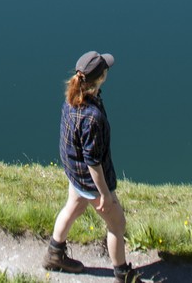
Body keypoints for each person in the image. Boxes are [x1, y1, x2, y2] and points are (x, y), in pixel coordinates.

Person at [44, 51, 141, 283]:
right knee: (117, 225)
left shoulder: (72, 99)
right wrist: (105, 195)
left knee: (73, 207)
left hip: (74, 172)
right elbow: (93, 161)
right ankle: (122, 274)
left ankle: (54, 255)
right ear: (101, 76)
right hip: (90, 180)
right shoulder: (92, 117)